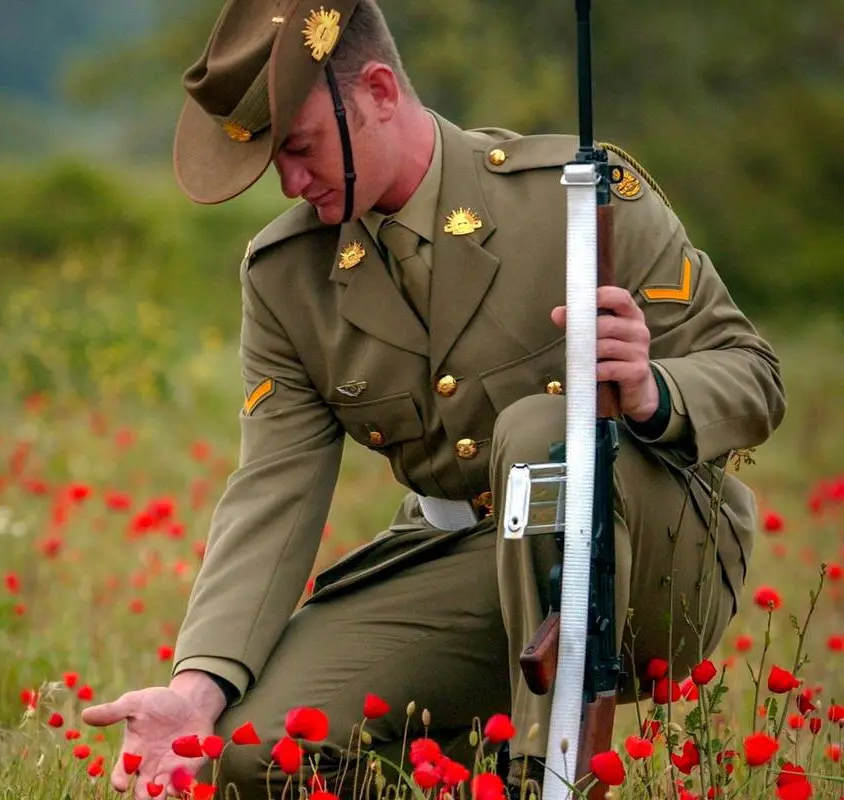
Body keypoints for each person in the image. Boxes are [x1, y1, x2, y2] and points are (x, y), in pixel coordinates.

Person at [83, 1, 787, 797]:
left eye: (302, 146)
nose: (289, 180)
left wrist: (652, 389)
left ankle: (541, 775)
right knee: (257, 753)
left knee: (538, 431)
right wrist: (196, 690)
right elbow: (272, 491)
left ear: (380, 90)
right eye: (273, 158)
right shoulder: (287, 279)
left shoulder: (576, 201)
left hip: (652, 556)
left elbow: (753, 374)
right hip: (467, 562)